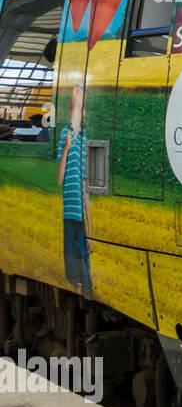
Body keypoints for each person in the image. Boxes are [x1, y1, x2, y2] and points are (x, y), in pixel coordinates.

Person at [56, 81, 93, 298]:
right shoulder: (65, 134)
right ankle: (78, 291)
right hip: (68, 214)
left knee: (83, 266)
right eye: (75, 105)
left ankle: (85, 294)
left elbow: (86, 188)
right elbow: (60, 179)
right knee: (72, 267)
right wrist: (67, 148)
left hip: (79, 216)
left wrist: (91, 233)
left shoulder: (85, 138)